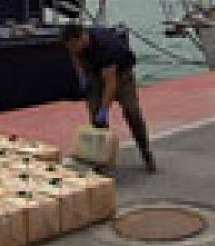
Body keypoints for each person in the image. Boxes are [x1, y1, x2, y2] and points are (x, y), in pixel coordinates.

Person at [61, 24, 157, 173]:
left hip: (121, 75)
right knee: (95, 118)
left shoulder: (105, 47)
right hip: (94, 74)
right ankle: (101, 160)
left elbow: (110, 85)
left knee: (132, 111)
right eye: (69, 47)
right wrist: (82, 78)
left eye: (74, 46)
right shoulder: (74, 46)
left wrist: (104, 110)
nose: (72, 50)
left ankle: (145, 151)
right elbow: (76, 58)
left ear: (81, 38)